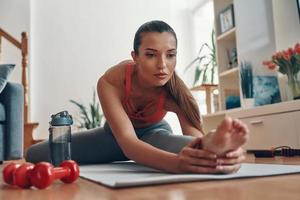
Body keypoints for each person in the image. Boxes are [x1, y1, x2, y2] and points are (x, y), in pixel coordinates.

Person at [26, 20, 249, 174]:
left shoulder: (176, 93)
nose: (162, 65)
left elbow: (192, 140)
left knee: (187, 145)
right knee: (34, 154)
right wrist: (178, 164)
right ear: (135, 57)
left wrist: (218, 155)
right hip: (113, 138)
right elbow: (129, 143)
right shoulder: (112, 81)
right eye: (151, 55)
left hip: (154, 135)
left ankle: (214, 141)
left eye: (170, 55)